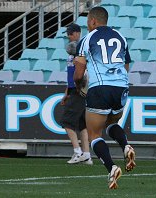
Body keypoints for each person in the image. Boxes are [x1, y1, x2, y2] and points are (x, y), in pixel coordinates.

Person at [73, 7, 136, 189]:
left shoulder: (87, 39)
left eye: (87, 22)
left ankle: (112, 168)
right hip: (121, 87)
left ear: (93, 21)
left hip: (100, 88)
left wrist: (80, 87)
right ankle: (125, 146)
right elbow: (125, 66)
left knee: (94, 134)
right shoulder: (120, 37)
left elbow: (78, 74)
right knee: (111, 123)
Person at [60, 23, 93, 165]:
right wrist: (66, 92)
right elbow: (70, 74)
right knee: (82, 124)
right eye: (68, 33)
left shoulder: (82, 48)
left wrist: (80, 88)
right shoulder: (72, 50)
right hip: (74, 89)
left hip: (80, 89)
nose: (69, 35)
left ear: (78, 33)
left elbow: (86, 71)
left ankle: (77, 151)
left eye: (71, 33)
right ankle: (87, 155)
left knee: (66, 121)